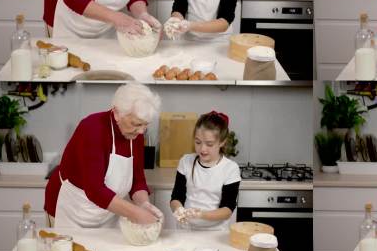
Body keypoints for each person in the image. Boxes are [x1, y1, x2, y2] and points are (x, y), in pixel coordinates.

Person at [44, 83, 163, 228]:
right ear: (117, 113)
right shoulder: (92, 129)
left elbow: (137, 180)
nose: (141, 132)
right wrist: (136, 213)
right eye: (136, 124)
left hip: (106, 210)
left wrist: (144, 204)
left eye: (145, 125)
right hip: (72, 208)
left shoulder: (135, 135)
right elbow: (95, 190)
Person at [170, 111, 241, 230]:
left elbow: (227, 209)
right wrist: (179, 210)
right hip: (186, 229)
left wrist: (201, 215)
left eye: (209, 144)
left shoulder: (230, 169)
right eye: (198, 142)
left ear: (222, 142)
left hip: (215, 232)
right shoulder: (186, 161)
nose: (202, 149)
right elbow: (176, 197)